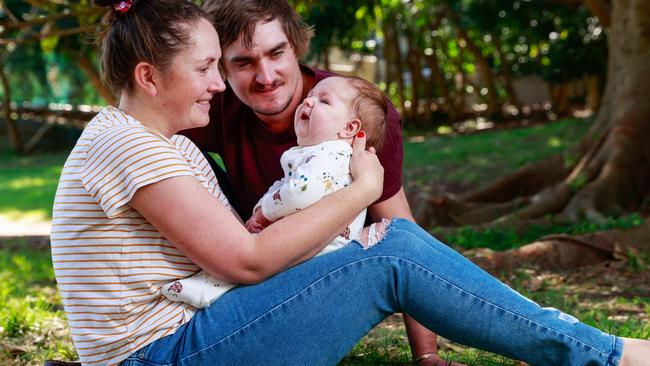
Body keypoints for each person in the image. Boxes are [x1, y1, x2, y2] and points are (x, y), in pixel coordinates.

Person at [50, 1, 650, 366]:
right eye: (209, 68)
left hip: (194, 334)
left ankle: (593, 350)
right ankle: (604, 355)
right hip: (165, 355)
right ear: (150, 77)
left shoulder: (165, 142)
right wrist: (362, 191)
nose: (217, 83)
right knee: (389, 253)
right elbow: (248, 262)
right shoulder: (126, 143)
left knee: (392, 245)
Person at [181, 0, 446, 362]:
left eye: (277, 53)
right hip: (249, 265)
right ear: (220, 68)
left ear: (295, 45)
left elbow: (401, 229)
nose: (266, 77)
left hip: (332, 269)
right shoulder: (213, 107)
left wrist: (426, 355)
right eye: (243, 62)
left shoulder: (355, 111)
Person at [162, 75, 389, 308]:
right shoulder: (321, 152)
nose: (308, 102)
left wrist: (265, 211)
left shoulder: (334, 153)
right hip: (311, 244)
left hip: (320, 252)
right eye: (310, 96)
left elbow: (301, 192)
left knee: (254, 269)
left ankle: (207, 291)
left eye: (324, 101)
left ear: (349, 128)